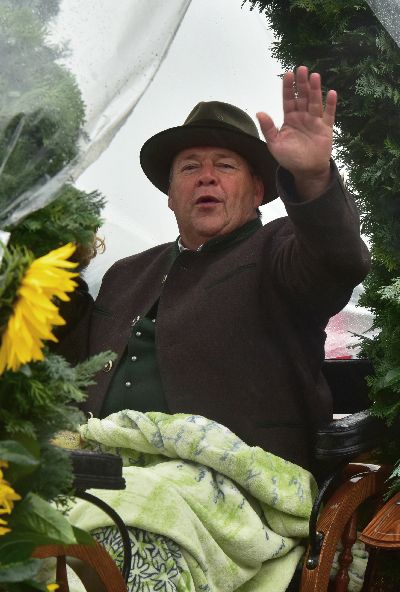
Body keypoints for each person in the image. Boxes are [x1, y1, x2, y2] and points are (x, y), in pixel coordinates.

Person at [58, 66, 370, 471]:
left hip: (234, 482)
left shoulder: (280, 251)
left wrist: (312, 178)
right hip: (95, 470)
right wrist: (46, 243)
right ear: (171, 195)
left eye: (225, 166)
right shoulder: (125, 273)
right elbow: (61, 354)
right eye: (189, 168)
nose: (206, 177)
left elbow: (338, 260)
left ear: (257, 191)